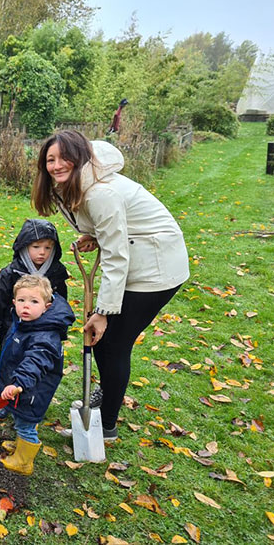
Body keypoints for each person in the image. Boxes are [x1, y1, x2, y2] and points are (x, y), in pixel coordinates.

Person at [32, 129, 189, 441]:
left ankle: (105, 426)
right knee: (105, 343)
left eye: (64, 158)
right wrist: (94, 235)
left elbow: (117, 257)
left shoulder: (101, 192)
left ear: (79, 158)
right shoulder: (79, 183)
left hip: (155, 270)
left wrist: (103, 311)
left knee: (112, 343)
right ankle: (106, 401)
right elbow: (115, 228)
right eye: (50, 159)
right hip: (139, 258)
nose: (57, 165)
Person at [0, 218, 69, 420]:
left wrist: (60, 332)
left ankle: (27, 404)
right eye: (36, 246)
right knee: (9, 365)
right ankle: (1, 401)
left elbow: (60, 305)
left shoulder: (56, 274)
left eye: (48, 247)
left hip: (42, 333)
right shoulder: (9, 274)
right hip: (13, 330)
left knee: (34, 366)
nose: (42, 252)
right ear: (24, 246)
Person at [0, 275, 75, 476]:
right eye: (21, 301)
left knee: (26, 423)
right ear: (14, 302)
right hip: (20, 386)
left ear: (46, 306)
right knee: (21, 419)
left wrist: (19, 383)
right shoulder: (25, 322)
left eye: (34, 302)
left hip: (30, 389)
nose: (26, 306)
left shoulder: (44, 335)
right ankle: (21, 445)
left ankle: (23, 461)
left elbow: (35, 363)